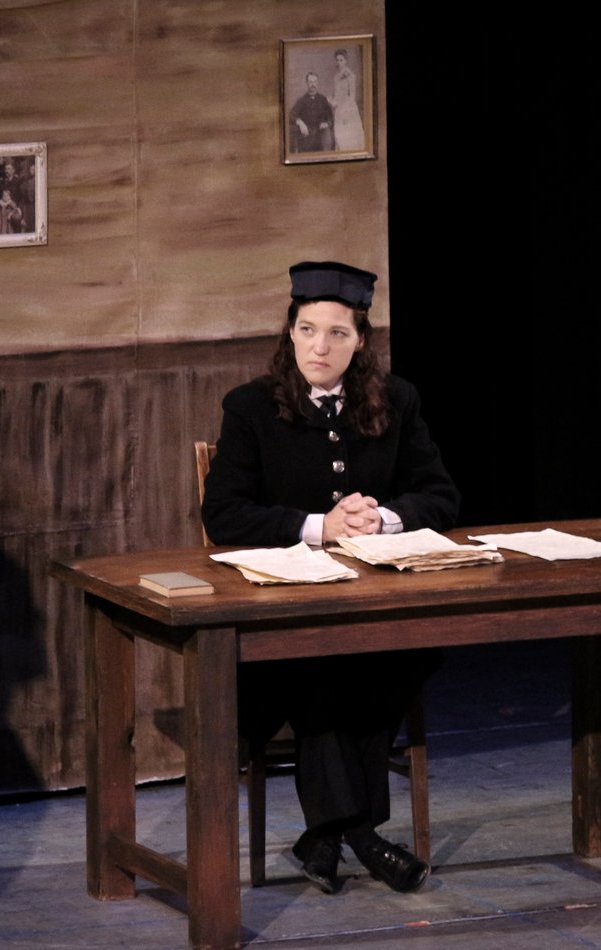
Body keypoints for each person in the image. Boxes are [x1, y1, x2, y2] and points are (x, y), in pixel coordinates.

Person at [202, 261, 460, 895]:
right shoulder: (251, 408)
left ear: (359, 341)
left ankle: (323, 838)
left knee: (400, 654)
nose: (320, 347)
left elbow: (441, 496)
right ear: (290, 333)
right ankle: (364, 836)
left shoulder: (396, 400)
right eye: (308, 330)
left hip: (375, 610)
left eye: (337, 333)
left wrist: (384, 518)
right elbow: (224, 513)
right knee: (319, 668)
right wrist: (321, 526)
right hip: (282, 618)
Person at [289, 71, 334, 152]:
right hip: (306, 135)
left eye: (315, 82)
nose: (313, 84)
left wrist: (327, 123)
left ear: (318, 83)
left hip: (320, 135)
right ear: (306, 83)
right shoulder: (301, 100)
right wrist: (300, 123)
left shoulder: (323, 99)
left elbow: (330, 117)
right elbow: (291, 115)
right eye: (310, 82)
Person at [329, 50, 364, 151]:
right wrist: (331, 100)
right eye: (337, 60)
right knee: (339, 136)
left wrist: (346, 113)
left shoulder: (351, 76)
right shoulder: (336, 77)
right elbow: (335, 95)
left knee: (349, 137)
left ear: (346, 61)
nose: (339, 62)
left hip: (348, 108)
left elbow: (352, 96)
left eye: (341, 60)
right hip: (338, 109)